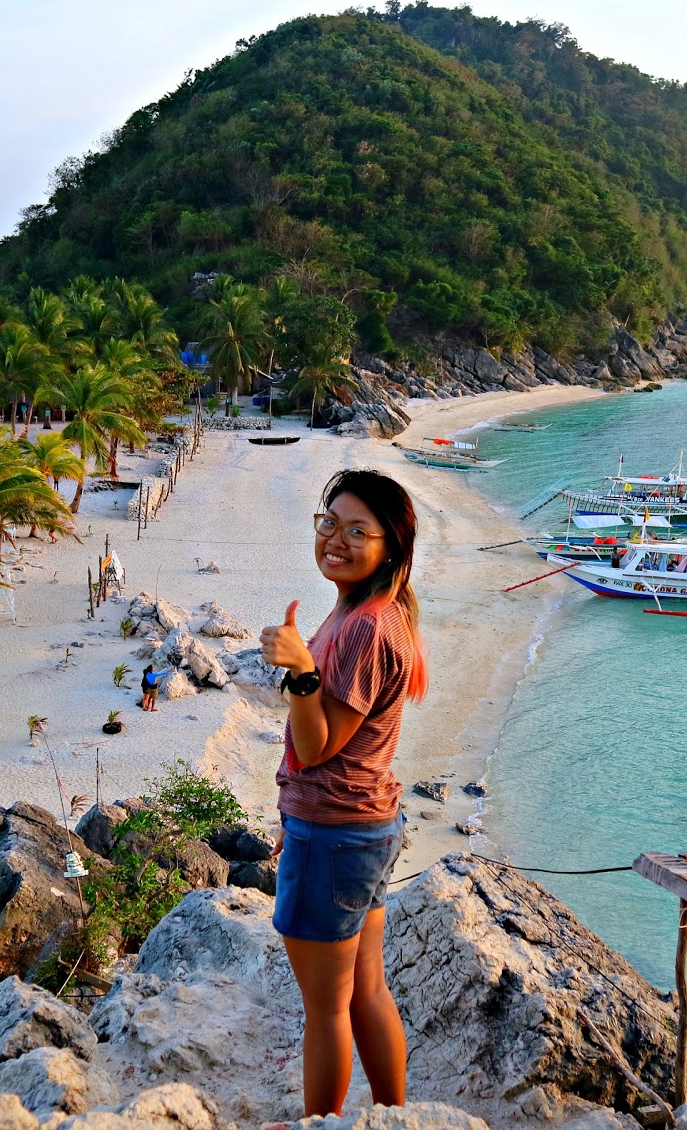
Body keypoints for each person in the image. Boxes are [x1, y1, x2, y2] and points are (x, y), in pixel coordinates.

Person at [258, 469, 428, 1117]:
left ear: (391, 547)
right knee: (366, 991)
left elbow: (319, 743)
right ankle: (392, 1113)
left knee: (325, 1011)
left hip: (336, 833)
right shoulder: (371, 608)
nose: (336, 538)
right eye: (328, 522)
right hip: (365, 825)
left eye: (358, 530)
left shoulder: (364, 627)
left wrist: (301, 669)